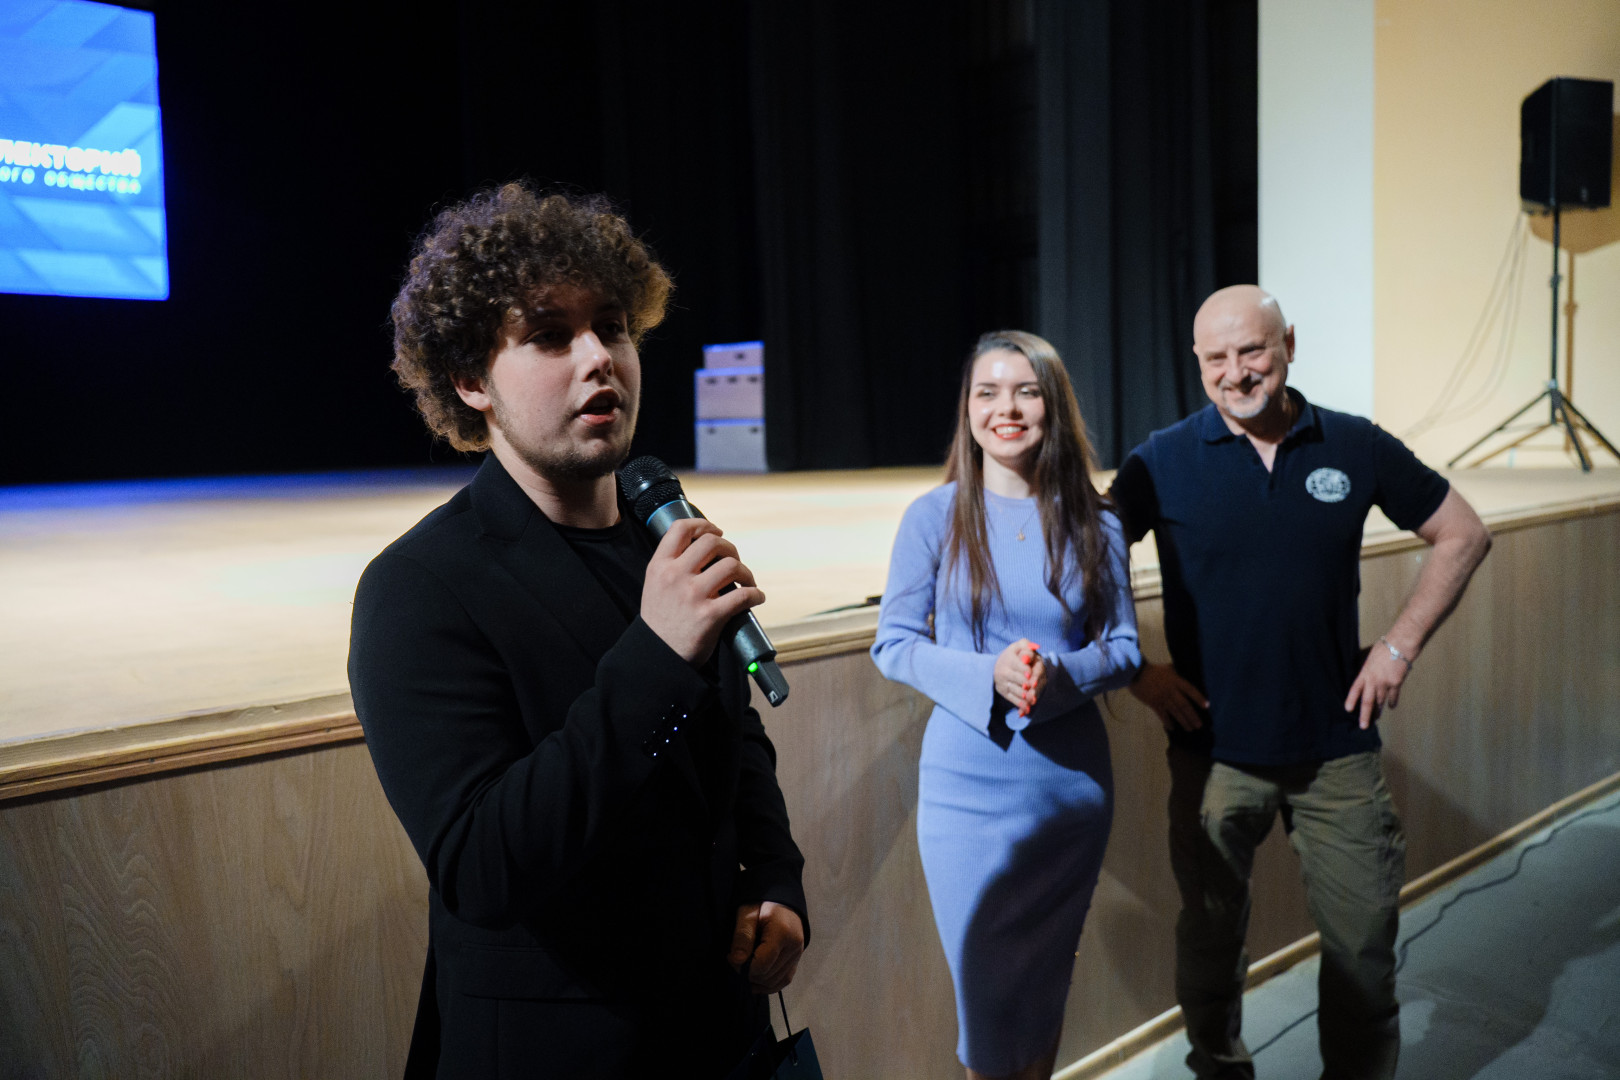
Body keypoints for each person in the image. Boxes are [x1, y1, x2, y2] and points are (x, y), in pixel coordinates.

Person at [349, 184, 809, 1079]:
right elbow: (483, 867)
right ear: (471, 380)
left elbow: (732, 739)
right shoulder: (416, 591)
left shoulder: (659, 531)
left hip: (716, 1032)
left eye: (614, 326)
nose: (599, 357)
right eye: (551, 336)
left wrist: (775, 881)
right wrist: (657, 652)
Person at [1110, 285, 1492, 1080]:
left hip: (1336, 749)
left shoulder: (1352, 444)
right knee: (1211, 945)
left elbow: (1462, 532)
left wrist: (1397, 646)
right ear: (1197, 362)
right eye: (1216, 358)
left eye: (1252, 350)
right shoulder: (1161, 459)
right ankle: (1219, 1068)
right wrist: (1137, 671)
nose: (1236, 372)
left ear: (1289, 342)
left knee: (1362, 949)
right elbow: (1078, 565)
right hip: (1213, 752)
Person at [872, 331, 1142, 1080]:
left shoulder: (1100, 519)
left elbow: (1123, 648)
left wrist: (1057, 675)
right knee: (986, 1018)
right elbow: (892, 644)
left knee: (1042, 998)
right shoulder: (934, 516)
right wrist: (984, 676)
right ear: (968, 408)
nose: (1006, 408)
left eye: (1025, 391)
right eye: (987, 392)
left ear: (1053, 405)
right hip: (965, 787)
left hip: (1067, 791)